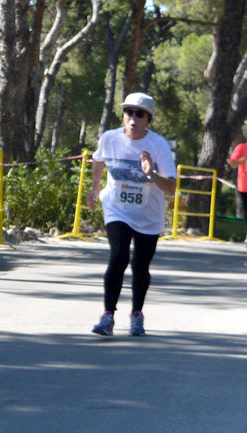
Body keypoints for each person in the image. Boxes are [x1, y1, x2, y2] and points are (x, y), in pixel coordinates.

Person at [86, 92, 176, 337]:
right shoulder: (110, 138)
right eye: (128, 112)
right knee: (119, 256)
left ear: (148, 119)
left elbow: (171, 187)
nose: (132, 118)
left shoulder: (158, 146)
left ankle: (137, 314)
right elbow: (98, 161)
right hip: (117, 208)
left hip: (149, 214)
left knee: (140, 265)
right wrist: (95, 189)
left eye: (139, 114)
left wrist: (151, 175)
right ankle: (107, 316)